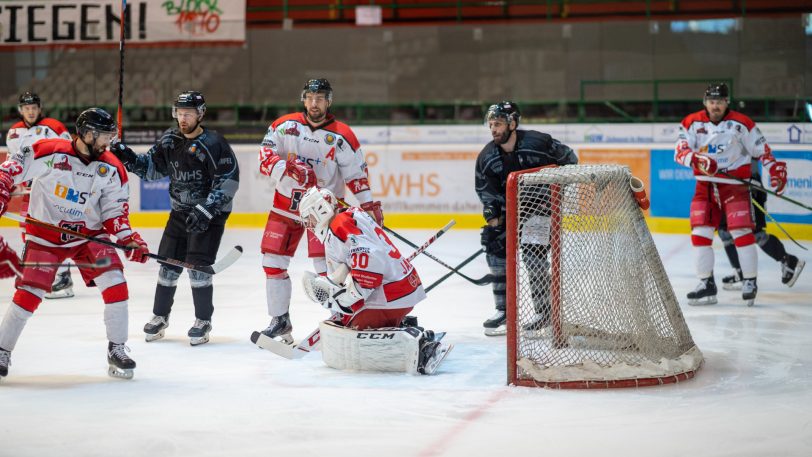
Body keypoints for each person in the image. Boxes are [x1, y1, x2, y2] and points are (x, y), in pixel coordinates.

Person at [0, 108, 149, 380]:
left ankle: (117, 348)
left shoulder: (111, 167)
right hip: (44, 238)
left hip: (87, 239)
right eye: (104, 136)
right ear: (87, 133)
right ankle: (2, 350)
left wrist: (128, 238)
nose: (108, 143)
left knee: (115, 281)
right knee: (30, 292)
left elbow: (114, 212)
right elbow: (10, 170)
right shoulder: (49, 152)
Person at [254, 78, 382, 344]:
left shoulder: (342, 135)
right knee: (272, 262)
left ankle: (338, 316)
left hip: (323, 213)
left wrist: (368, 204)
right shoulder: (285, 125)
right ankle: (280, 321)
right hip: (286, 206)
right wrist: (286, 168)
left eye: (321, 98)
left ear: (329, 101)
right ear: (304, 99)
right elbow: (264, 156)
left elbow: (356, 175)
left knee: (327, 268)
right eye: (311, 97)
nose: (315, 103)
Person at [110, 91, 239, 346]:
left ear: (200, 114)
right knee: (167, 266)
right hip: (180, 214)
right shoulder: (170, 140)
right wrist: (125, 154)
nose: (183, 118)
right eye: (179, 113)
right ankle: (160, 316)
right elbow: (150, 169)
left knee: (197, 269)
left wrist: (205, 210)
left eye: (188, 113)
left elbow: (228, 182)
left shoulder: (214, 143)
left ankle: (203, 320)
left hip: (208, 217)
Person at [296, 186, 450, 375]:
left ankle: (423, 346)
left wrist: (349, 296)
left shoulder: (339, 224)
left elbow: (369, 258)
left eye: (309, 218)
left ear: (321, 209)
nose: (309, 225)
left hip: (393, 291)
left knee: (358, 331)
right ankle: (402, 326)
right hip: (401, 284)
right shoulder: (346, 217)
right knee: (349, 320)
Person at [675, 83, 788, 307]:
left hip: (734, 188)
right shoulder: (691, 122)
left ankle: (750, 282)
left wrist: (774, 168)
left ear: (727, 102)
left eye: (719, 101)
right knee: (700, 234)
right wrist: (697, 160)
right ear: (704, 102)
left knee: (742, 233)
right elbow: (680, 151)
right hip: (704, 187)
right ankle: (706, 284)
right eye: (711, 101)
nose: (715, 106)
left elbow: (762, 151)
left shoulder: (742, 123)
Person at [474, 101, 578, 336]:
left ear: (513, 123)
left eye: (498, 123)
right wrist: (493, 213)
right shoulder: (487, 156)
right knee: (494, 244)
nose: (493, 129)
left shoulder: (539, 143)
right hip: (510, 212)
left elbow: (570, 161)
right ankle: (504, 312)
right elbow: (485, 190)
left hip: (540, 211)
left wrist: (550, 194)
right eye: (491, 124)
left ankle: (544, 313)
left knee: (533, 255)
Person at [4, 91, 74, 299]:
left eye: (34, 108)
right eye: (27, 108)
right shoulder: (14, 133)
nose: (31, 111)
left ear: (40, 109)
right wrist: (12, 183)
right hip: (30, 191)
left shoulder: (55, 127)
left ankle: (63, 276)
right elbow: (13, 161)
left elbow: (70, 154)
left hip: (52, 189)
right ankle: (37, 272)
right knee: (28, 230)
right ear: (20, 110)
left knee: (54, 230)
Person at [718, 160, 805, 289]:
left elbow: (755, 153)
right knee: (725, 231)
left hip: (748, 186)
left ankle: (789, 260)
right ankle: (741, 272)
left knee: (755, 233)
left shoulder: (744, 139)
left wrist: (751, 180)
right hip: (728, 187)